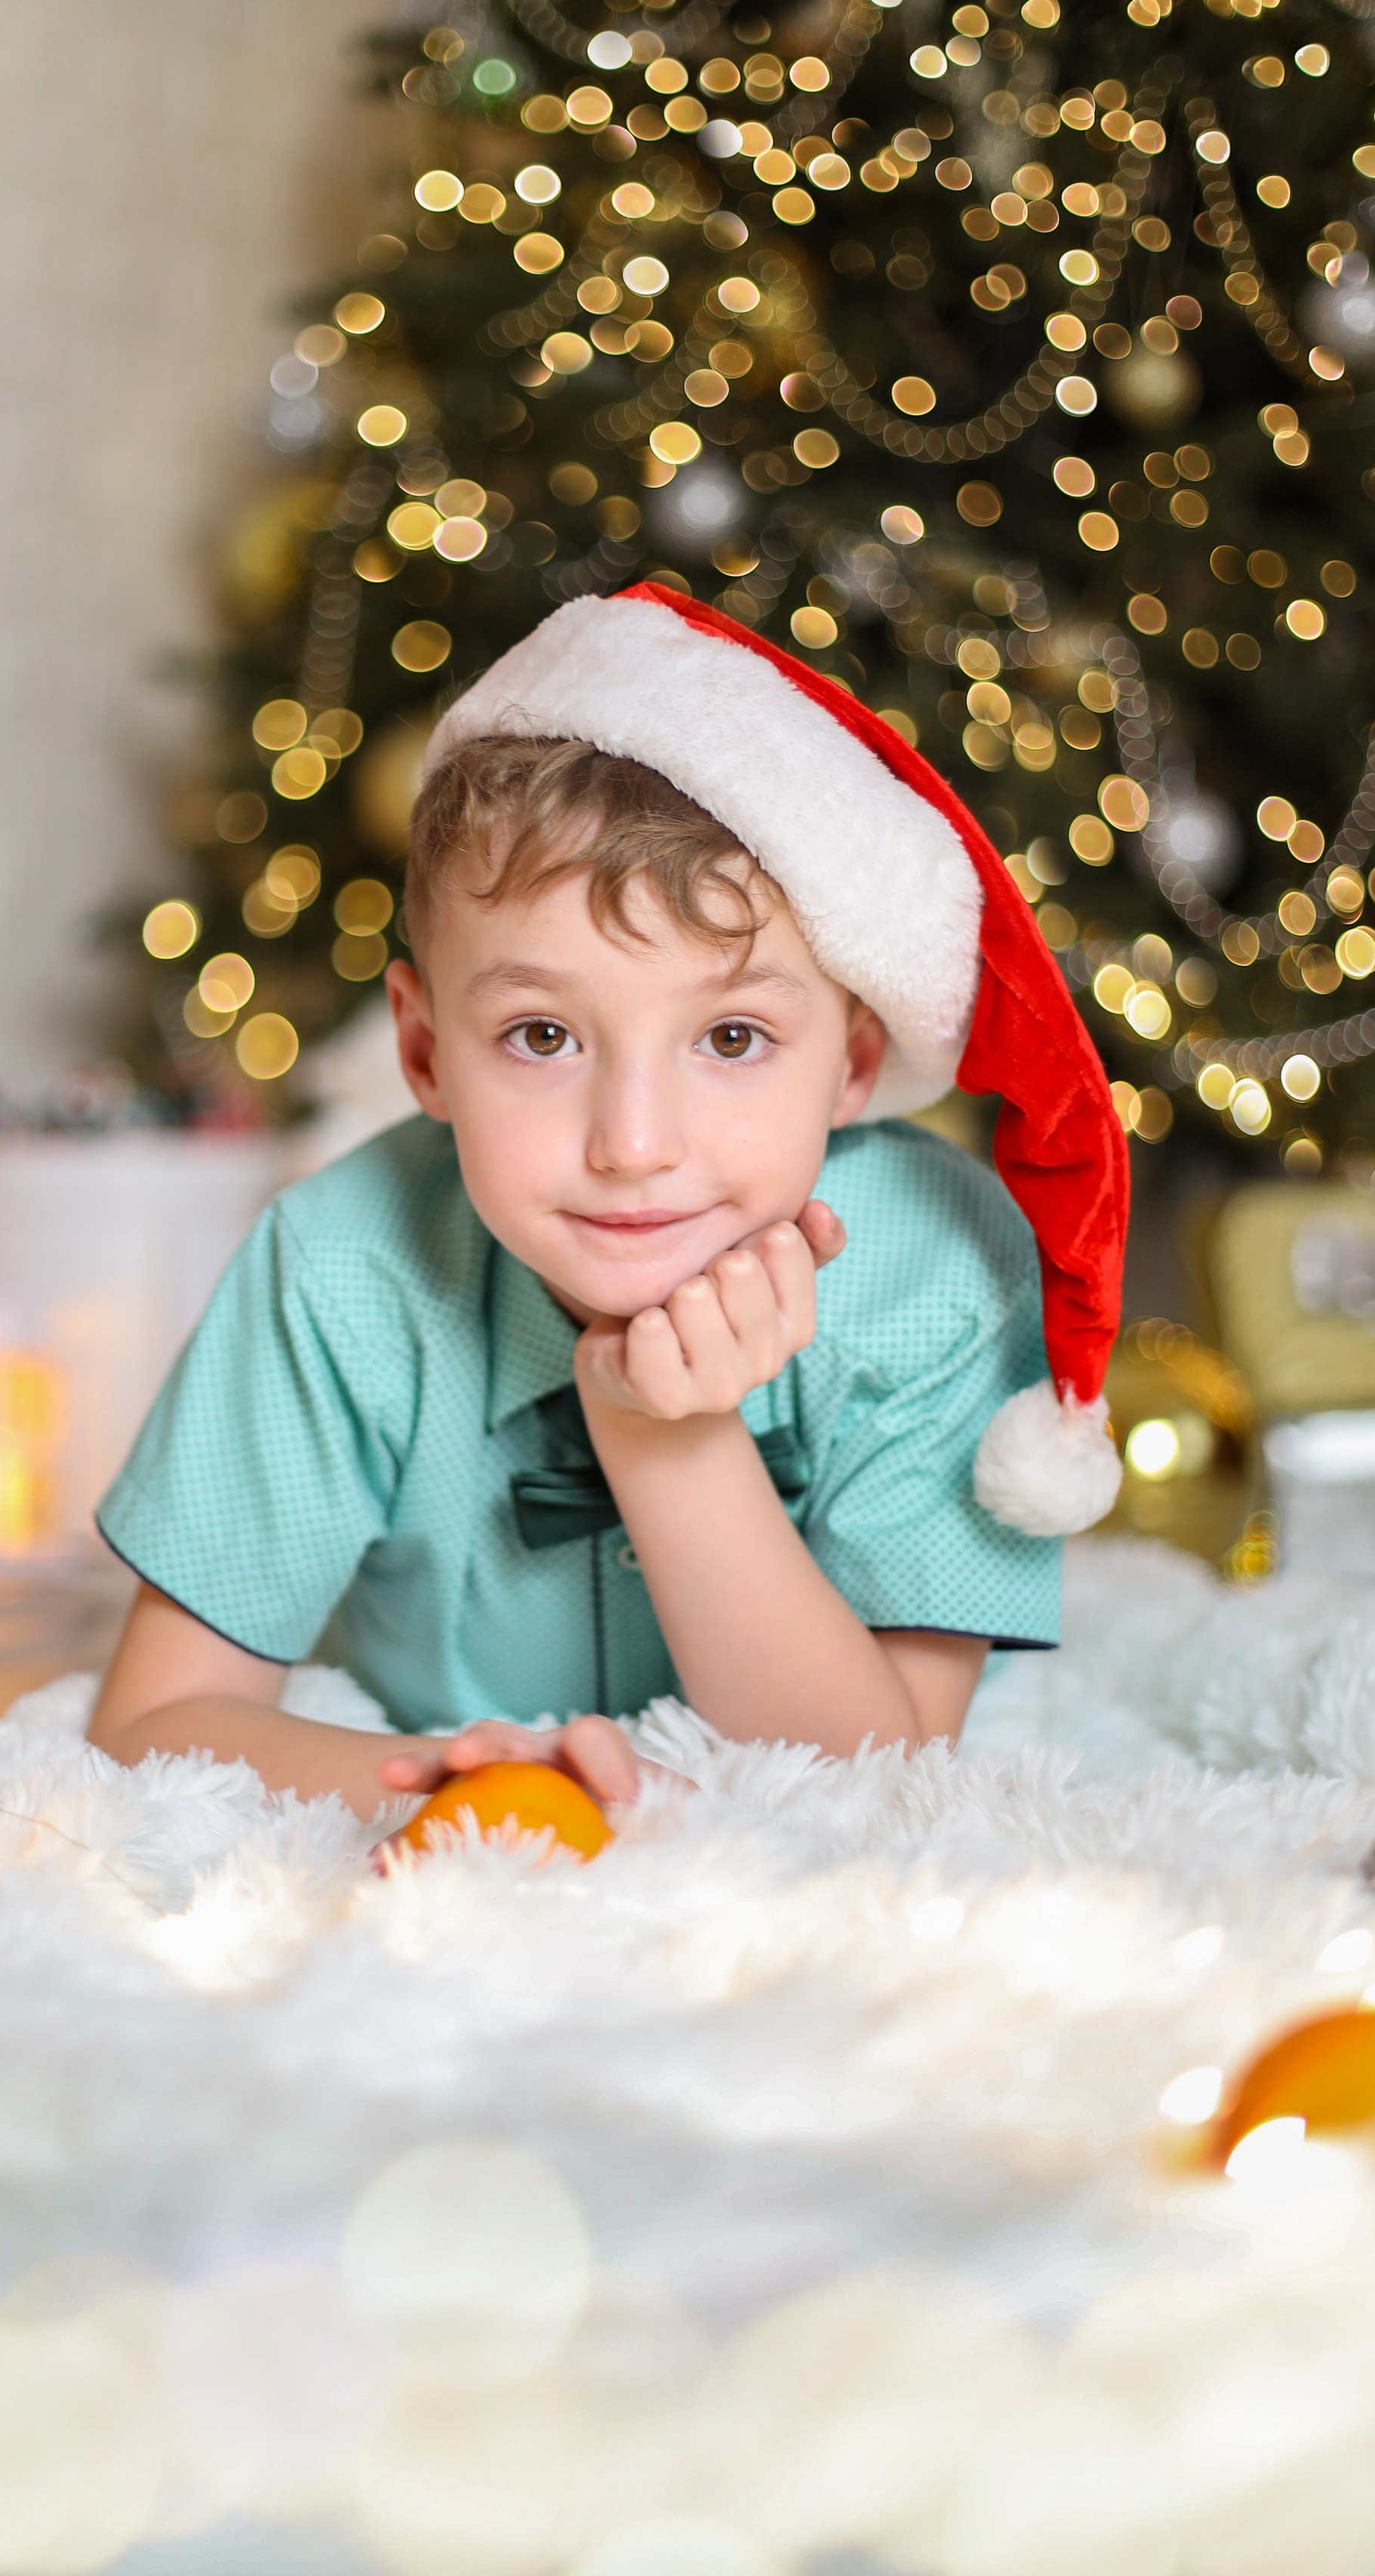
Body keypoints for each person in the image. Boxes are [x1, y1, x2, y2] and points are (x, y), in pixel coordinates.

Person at [88, 584, 1128, 1821]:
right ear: (423, 1054)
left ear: (852, 1065)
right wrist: (458, 1786)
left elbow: (880, 1788)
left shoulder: (944, 1273)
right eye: (541, 1035)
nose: (634, 1146)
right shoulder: (339, 1267)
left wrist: (665, 1435)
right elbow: (152, 1725)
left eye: (732, 1037)